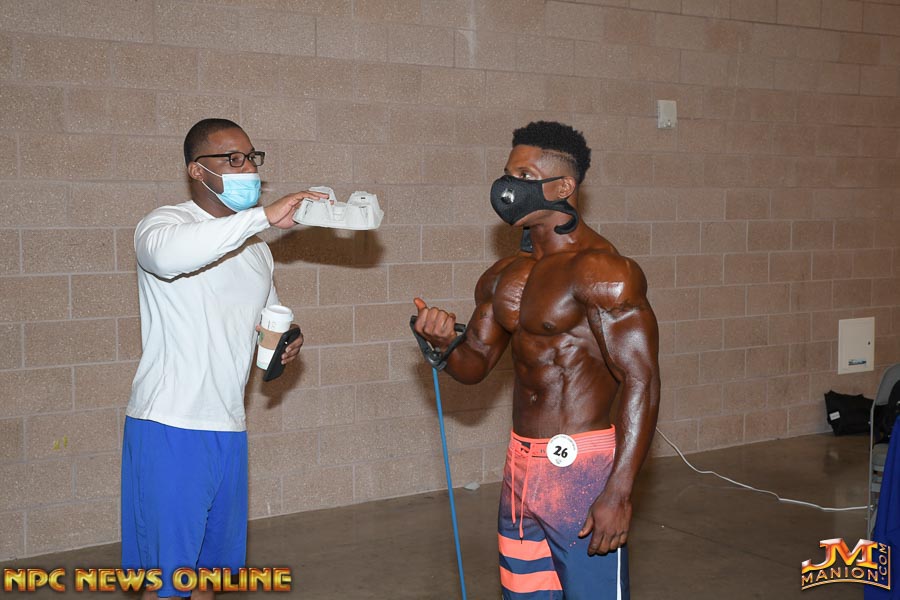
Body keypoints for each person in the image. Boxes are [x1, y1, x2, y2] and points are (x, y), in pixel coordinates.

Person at [413, 121, 660, 599]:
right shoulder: (504, 274)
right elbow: (473, 365)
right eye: (508, 174)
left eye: (524, 176)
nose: (508, 187)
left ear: (563, 187)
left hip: (583, 471)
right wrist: (441, 343)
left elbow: (641, 382)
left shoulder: (604, 271)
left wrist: (619, 491)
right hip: (520, 470)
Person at [121, 118, 327, 599]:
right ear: (197, 169)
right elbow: (169, 258)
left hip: (228, 426)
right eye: (232, 159)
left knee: (209, 578)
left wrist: (286, 343)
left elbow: (269, 321)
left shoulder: (255, 251)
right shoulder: (163, 225)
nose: (247, 169)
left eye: (251, 158)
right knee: (167, 584)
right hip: (170, 425)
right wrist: (263, 217)